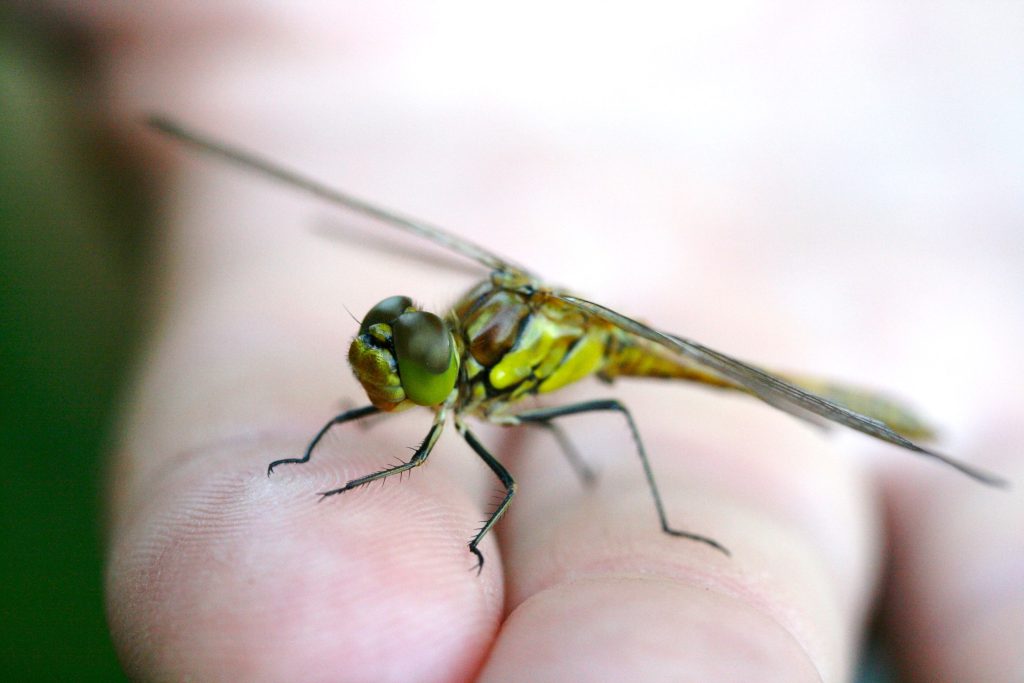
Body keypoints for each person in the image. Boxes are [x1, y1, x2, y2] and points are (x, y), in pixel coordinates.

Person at [55, 3, 1020, 680]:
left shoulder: (494, 379)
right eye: (403, 346)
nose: (391, 359)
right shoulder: (458, 351)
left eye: (411, 356)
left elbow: (499, 479)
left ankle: (816, 455)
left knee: (583, 426)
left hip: (643, 349)